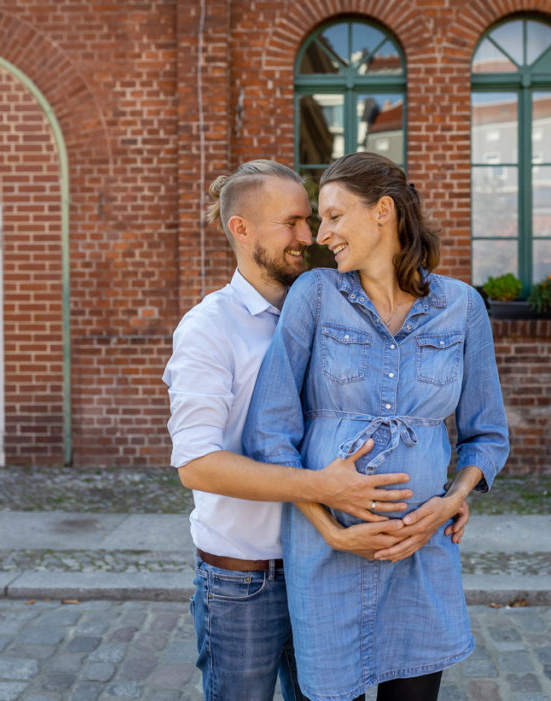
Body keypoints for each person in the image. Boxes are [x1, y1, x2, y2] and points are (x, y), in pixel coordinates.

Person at [162, 159, 470, 701]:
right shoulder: (211, 327)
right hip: (248, 576)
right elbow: (196, 464)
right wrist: (325, 495)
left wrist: (447, 492)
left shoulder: (330, 302)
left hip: (330, 567)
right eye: (294, 223)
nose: (311, 237)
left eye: (316, 219)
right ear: (242, 229)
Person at [242, 152, 510, 701]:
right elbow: (270, 431)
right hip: (329, 557)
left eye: (335, 216)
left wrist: (451, 498)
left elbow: (488, 434)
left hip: (420, 551)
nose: (323, 234)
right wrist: (330, 528)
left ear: (383, 210)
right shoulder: (314, 295)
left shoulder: (461, 306)